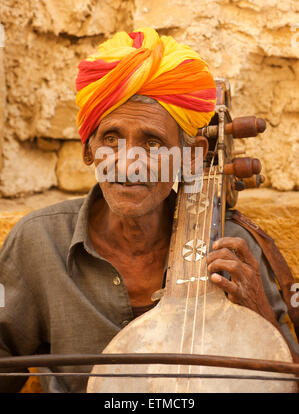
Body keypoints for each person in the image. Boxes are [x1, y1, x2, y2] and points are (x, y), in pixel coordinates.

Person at [0, 28, 298, 393]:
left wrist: (259, 312)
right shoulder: (37, 241)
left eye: (153, 143)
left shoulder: (234, 248)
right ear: (88, 150)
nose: (128, 162)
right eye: (111, 138)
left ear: (191, 156)